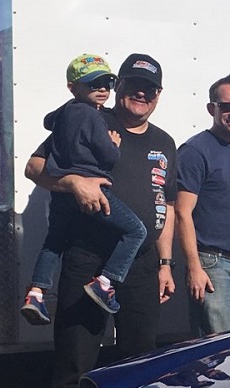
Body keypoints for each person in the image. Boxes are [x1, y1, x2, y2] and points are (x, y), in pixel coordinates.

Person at [24, 53, 178, 388]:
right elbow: (34, 167)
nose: (140, 94)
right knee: (76, 356)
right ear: (120, 86)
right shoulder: (88, 119)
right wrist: (70, 182)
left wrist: (166, 263)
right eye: (132, 84)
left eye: (149, 88)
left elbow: (162, 206)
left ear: (158, 95)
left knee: (138, 360)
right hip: (88, 257)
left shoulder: (165, 142)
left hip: (143, 266)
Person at [21, 54, 147, 324]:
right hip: (94, 192)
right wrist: (113, 144)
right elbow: (108, 157)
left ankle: (36, 293)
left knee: (54, 242)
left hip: (61, 197)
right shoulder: (93, 117)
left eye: (107, 82)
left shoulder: (64, 114)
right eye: (94, 84)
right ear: (73, 87)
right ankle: (105, 281)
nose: (103, 89)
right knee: (136, 230)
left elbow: (48, 121)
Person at [175, 75, 230, 336]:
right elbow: (182, 212)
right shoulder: (195, 151)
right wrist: (194, 267)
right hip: (212, 265)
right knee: (216, 351)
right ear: (212, 109)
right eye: (226, 106)